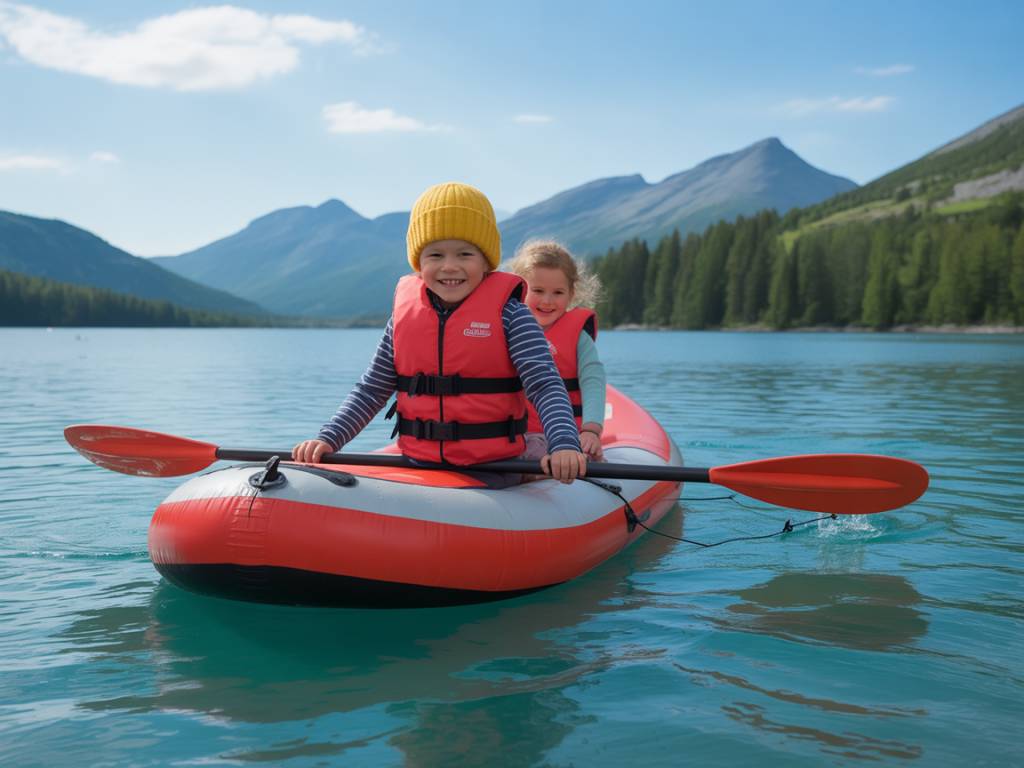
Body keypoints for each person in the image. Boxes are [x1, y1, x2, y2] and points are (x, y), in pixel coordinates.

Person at [292, 182, 587, 484]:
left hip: (493, 467)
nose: (449, 266)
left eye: (464, 254)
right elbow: (372, 389)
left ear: (486, 261)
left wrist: (565, 443)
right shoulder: (403, 319)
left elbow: (545, 385)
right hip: (418, 463)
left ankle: (531, 473)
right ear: (418, 262)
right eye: (435, 255)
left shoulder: (513, 315)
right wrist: (329, 439)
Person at [506, 240, 606, 462]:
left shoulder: (579, 337)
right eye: (538, 291)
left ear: (571, 294)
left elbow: (593, 382)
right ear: (520, 290)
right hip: (516, 434)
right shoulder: (504, 330)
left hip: (567, 438)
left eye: (558, 292)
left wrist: (591, 430)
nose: (547, 301)